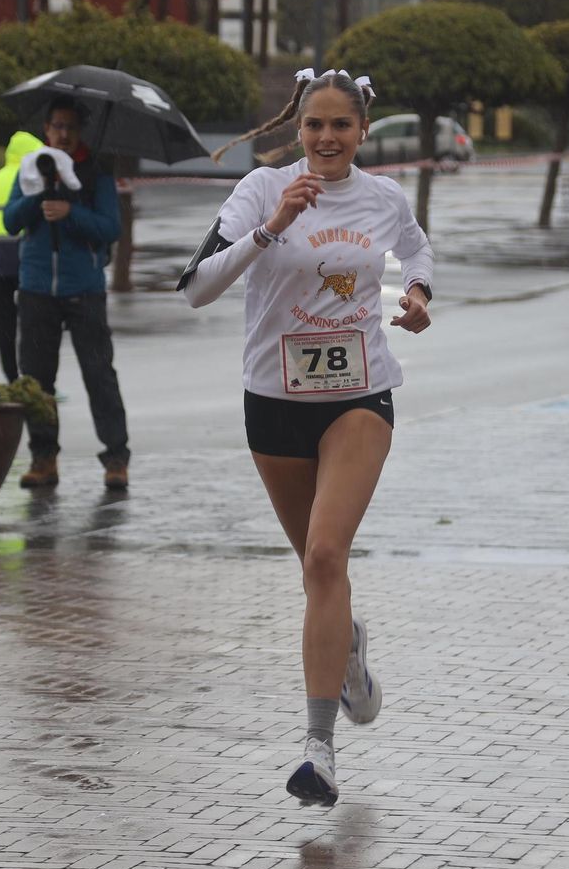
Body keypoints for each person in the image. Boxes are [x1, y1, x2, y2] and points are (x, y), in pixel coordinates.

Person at [180, 69, 434, 807]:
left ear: (362, 132)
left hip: (359, 395)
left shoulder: (383, 198)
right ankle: (347, 647)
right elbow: (196, 287)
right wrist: (269, 231)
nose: (327, 139)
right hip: (275, 402)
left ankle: (318, 750)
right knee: (315, 571)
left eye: (342, 127)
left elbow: (417, 252)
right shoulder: (261, 190)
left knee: (327, 554)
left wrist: (417, 295)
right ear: (298, 128)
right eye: (315, 125)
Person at [3, 98, 131, 491]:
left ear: (80, 132)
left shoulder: (95, 173)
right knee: (37, 379)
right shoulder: (31, 170)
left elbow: (110, 228)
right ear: (46, 129)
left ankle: (115, 458)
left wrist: (70, 211)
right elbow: (10, 221)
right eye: (57, 126)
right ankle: (43, 459)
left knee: (99, 375)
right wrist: (37, 199)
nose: (63, 133)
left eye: (71, 127)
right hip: (36, 289)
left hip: (85, 292)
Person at [0, 130, 44, 383]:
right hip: (24, 250)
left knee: (4, 321)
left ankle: (11, 376)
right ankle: (34, 376)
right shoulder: (30, 179)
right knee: (34, 318)